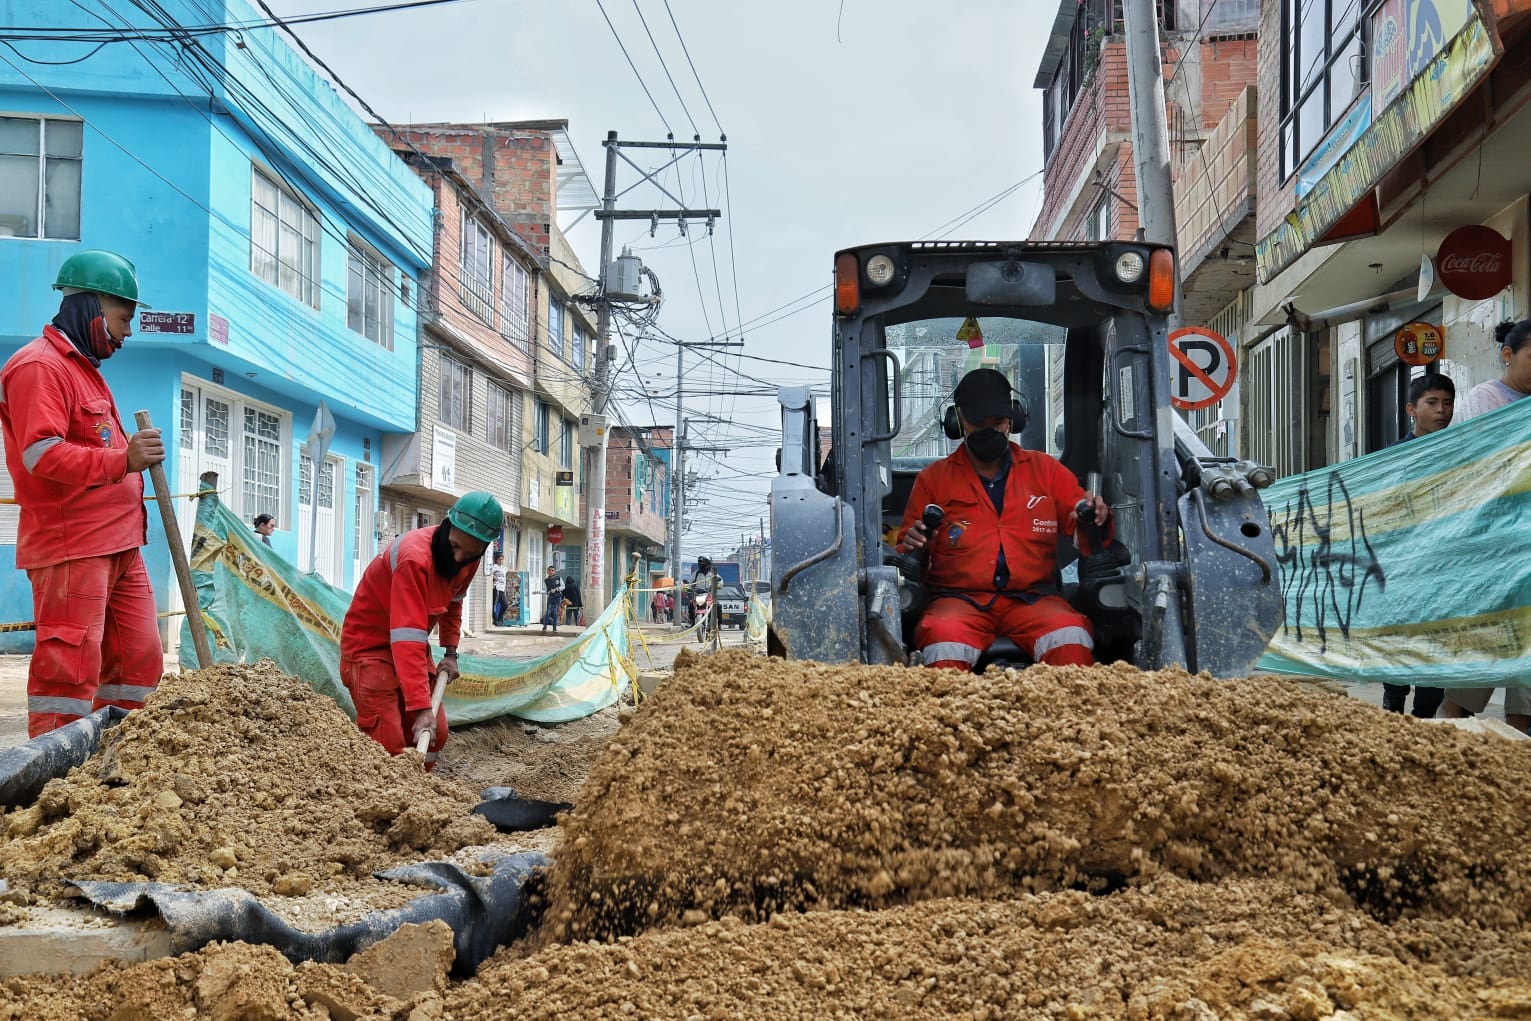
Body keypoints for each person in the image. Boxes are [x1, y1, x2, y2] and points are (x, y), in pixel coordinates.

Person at [0, 251, 166, 738]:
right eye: (122, 318)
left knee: (138, 662)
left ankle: (120, 770)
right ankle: (54, 785)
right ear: (91, 307)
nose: (127, 332)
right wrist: (124, 461)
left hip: (120, 545)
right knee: (67, 675)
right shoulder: (38, 367)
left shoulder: (83, 369)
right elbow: (41, 457)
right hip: (73, 546)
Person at [897, 368, 1110, 671]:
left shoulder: (1045, 471)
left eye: (997, 422)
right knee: (943, 641)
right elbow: (908, 554)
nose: (989, 431)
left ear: (1013, 419)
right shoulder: (933, 480)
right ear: (957, 422)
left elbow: (1084, 524)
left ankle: (1069, 719)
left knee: (1070, 636)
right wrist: (916, 543)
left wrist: (1094, 517)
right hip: (958, 602)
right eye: (978, 423)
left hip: (1035, 599)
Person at [339, 491, 501, 769]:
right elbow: (407, 637)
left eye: (470, 553)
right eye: (454, 546)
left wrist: (451, 652)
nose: (458, 557)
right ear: (446, 525)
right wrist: (421, 707)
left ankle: (419, 793)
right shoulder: (414, 558)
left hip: (410, 648)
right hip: (370, 651)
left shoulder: (469, 558)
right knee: (388, 744)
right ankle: (385, 804)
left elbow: (454, 603)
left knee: (435, 735)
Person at [1439, 320, 1531, 731]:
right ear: (1508, 355)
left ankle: (1517, 740)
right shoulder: (1485, 398)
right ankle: (1454, 723)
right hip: (1494, 546)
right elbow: (1494, 462)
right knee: (1485, 638)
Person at [1381, 372, 1454, 718]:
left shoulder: (1461, 451)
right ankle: (1393, 701)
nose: (1442, 411)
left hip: (1444, 565)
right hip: (1403, 564)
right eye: (1433, 403)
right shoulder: (1393, 457)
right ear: (1412, 409)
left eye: (1448, 403)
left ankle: (1425, 713)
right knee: (1399, 635)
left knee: (1436, 639)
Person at [487, 551, 508, 626]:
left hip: (502, 589)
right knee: (494, 605)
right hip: (497, 587)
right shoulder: (494, 566)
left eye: (502, 559)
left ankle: (499, 619)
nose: (501, 561)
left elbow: (508, 572)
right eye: (500, 559)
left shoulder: (504, 568)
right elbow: (489, 573)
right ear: (496, 559)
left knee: (505, 604)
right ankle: (495, 620)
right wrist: (493, 577)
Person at [541, 566, 564, 633]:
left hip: (557, 598)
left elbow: (563, 586)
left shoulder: (558, 578)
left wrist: (556, 589)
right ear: (547, 572)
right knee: (548, 612)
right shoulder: (546, 580)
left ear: (554, 571)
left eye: (552, 570)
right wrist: (539, 592)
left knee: (555, 612)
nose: (551, 572)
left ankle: (554, 627)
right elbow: (544, 590)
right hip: (550, 598)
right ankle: (544, 626)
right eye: (550, 570)